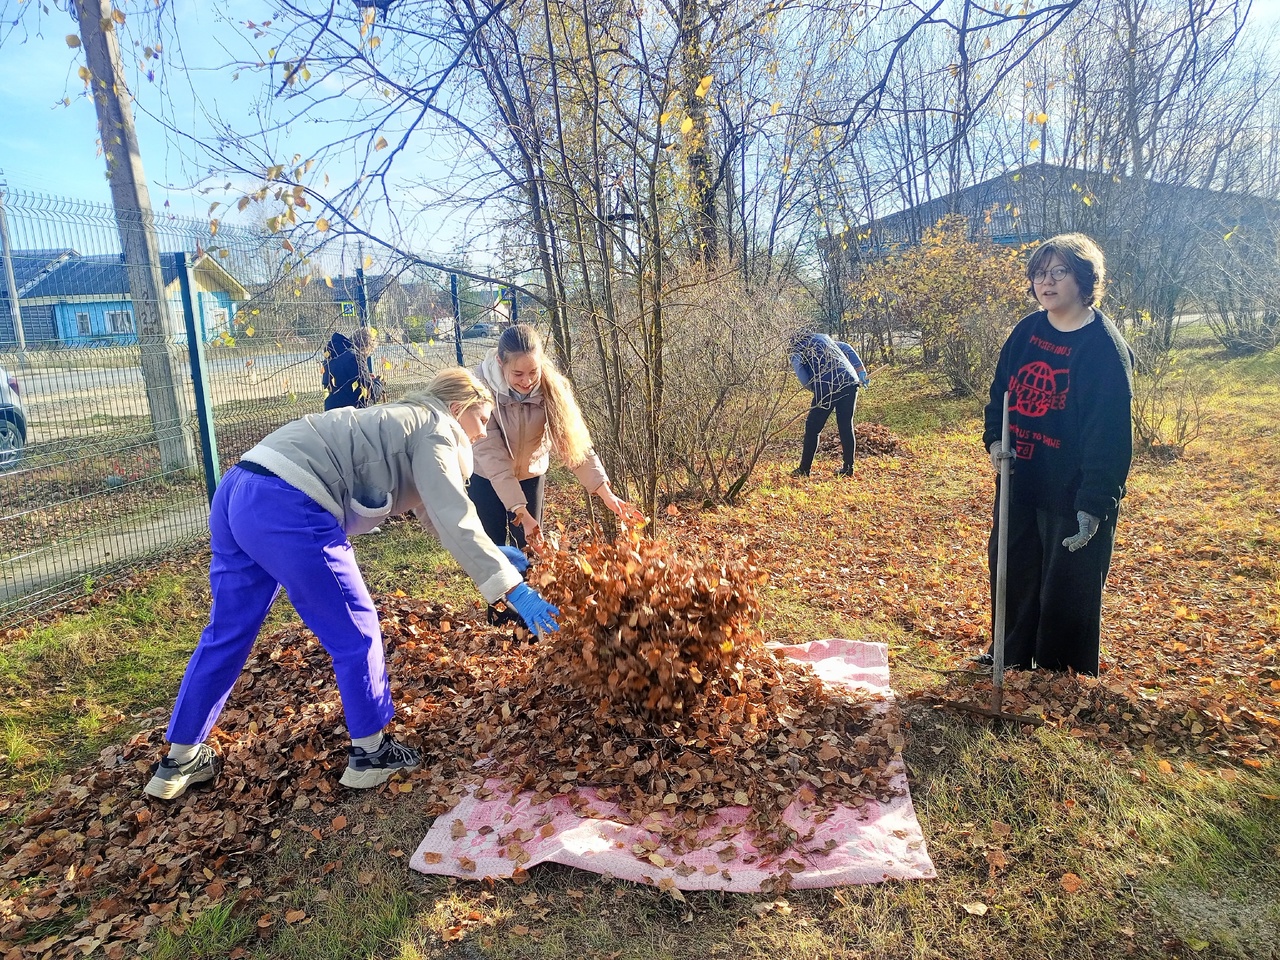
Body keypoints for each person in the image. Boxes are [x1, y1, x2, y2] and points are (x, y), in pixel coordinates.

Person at [143, 368, 560, 801]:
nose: (481, 433)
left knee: (226, 633)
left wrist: (495, 556)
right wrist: (514, 589)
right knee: (356, 631)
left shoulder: (399, 420)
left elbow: (436, 513)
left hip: (239, 490)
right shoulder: (438, 428)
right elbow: (455, 514)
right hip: (291, 500)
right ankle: (371, 753)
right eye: (482, 419)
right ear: (458, 409)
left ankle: (180, 757)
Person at [980, 233, 1133, 676]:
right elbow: (999, 397)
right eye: (1039, 273)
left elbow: (1110, 437)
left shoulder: (1103, 348)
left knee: (1068, 588)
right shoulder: (1026, 331)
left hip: (1072, 491)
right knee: (1012, 574)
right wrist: (995, 441)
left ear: (1085, 279)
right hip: (1020, 481)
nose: (1045, 282)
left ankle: (1059, 677)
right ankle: (1008, 658)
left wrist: (1095, 503)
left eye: (1058, 272)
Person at [469, 323, 643, 552]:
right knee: (493, 553)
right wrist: (521, 512)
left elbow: (574, 445)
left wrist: (606, 494)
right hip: (486, 478)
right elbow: (493, 459)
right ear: (501, 362)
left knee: (530, 550)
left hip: (530, 476)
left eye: (533, 371)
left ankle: (528, 588)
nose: (527, 381)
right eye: (518, 374)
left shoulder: (551, 388)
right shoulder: (478, 389)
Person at [788, 331, 871, 477]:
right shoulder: (824, 338)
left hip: (826, 384)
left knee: (813, 427)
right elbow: (846, 347)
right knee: (845, 424)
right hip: (850, 380)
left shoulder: (797, 349)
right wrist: (860, 370)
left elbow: (801, 374)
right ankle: (848, 468)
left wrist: (813, 388)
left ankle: (804, 470)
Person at [322, 327, 384, 410]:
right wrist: (379, 383)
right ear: (367, 346)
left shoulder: (331, 355)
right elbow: (371, 391)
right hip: (351, 414)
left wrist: (366, 376)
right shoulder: (354, 357)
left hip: (330, 412)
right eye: (371, 351)